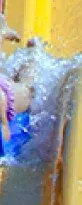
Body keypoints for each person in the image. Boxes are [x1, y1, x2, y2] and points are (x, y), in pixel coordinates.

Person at [0, 15, 42, 146]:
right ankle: (2, 31)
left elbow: (5, 134)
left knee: (27, 89)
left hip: (10, 96)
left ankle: (34, 54)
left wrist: (4, 126)